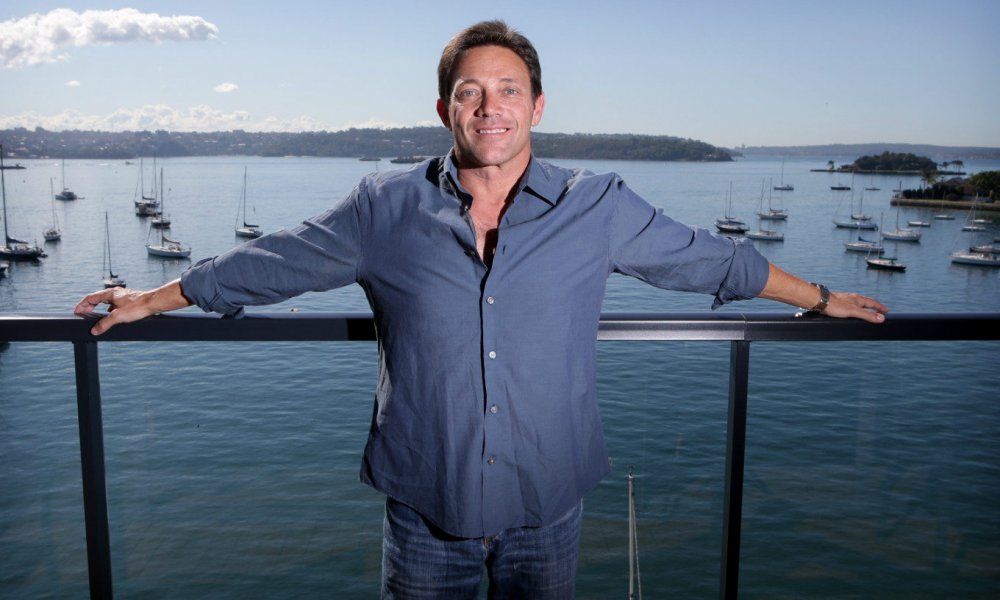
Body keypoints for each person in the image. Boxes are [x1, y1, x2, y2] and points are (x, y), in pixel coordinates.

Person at [75, 20, 888, 600]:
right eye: (470, 92)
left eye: (508, 90)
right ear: (445, 111)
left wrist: (822, 298)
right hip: (427, 506)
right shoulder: (383, 207)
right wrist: (154, 297)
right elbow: (270, 263)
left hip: (548, 505)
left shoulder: (596, 205)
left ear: (538, 105)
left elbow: (714, 260)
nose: (489, 107)